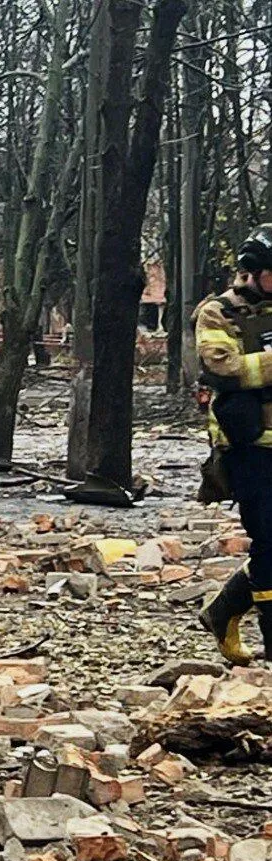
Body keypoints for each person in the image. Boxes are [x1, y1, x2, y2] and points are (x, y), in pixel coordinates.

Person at [196, 224, 272, 664]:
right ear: (252, 272)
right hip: (249, 448)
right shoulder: (218, 313)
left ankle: (224, 609)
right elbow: (222, 367)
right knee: (270, 544)